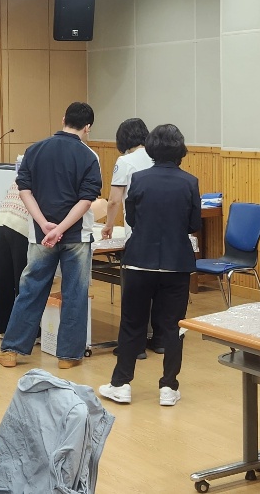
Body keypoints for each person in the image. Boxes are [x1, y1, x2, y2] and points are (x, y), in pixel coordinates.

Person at [98, 124, 201, 407]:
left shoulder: (139, 179)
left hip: (139, 262)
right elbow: (194, 224)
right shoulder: (190, 182)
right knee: (173, 327)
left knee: (132, 323)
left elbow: (132, 219)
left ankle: (121, 384)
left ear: (152, 148)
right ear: (181, 150)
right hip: (176, 264)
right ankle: (168, 387)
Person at [0, 102, 103, 370]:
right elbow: (86, 200)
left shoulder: (34, 150)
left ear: (63, 118)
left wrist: (45, 224)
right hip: (76, 236)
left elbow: (24, 190)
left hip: (40, 235)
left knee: (31, 289)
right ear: (88, 127)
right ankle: (68, 356)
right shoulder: (89, 156)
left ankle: (11, 350)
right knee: (74, 292)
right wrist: (61, 228)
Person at [0, 160, 31, 336]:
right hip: (20, 225)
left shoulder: (23, 172)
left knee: (3, 280)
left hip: (0, 222)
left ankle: (4, 329)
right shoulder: (46, 173)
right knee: (23, 280)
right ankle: (25, 331)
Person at [101, 118, 150, 240]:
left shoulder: (124, 161)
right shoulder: (158, 157)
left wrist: (109, 225)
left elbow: (114, 201)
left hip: (137, 228)